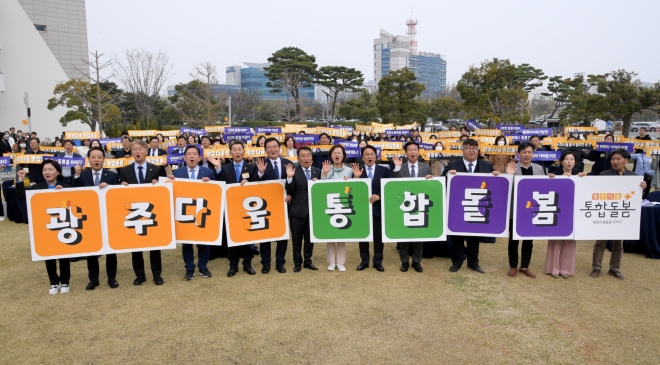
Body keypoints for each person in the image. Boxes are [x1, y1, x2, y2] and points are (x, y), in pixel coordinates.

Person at [443, 138, 499, 273]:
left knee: (474, 235)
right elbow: (442, 181)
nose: (471, 150)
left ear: (478, 151)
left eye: (474, 148)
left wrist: (497, 176)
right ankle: (457, 261)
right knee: (457, 235)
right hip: (458, 206)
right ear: (462, 150)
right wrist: (447, 175)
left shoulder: (486, 166)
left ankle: (473, 262)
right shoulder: (452, 165)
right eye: (468, 148)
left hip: (477, 206)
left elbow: (493, 186)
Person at [16, 160, 72, 294]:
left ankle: (65, 282)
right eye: (45, 170)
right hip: (45, 226)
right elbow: (21, 195)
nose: (47, 172)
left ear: (58, 172)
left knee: (64, 254)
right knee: (49, 255)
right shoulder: (37, 188)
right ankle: (53, 282)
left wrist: (64, 192)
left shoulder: (65, 186)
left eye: (50, 169)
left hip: (62, 225)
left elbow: (71, 204)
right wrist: (20, 179)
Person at [590, 148, 647, 280]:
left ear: (626, 160)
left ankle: (614, 268)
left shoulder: (634, 177)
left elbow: (637, 196)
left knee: (618, 243)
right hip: (606, 211)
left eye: (618, 159)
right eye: (613, 159)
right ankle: (596, 268)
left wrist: (642, 189)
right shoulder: (604, 175)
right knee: (600, 241)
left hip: (622, 213)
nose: (615, 162)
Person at [119, 139, 167, 286]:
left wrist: (159, 185)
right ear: (131, 152)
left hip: (151, 212)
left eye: (140, 149)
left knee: (154, 245)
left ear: (146, 151)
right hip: (134, 213)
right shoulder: (125, 171)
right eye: (135, 149)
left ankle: (156, 274)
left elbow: (164, 190)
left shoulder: (156, 169)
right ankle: (140, 275)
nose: (137, 151)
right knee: (136, 245)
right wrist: (122, 186)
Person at [72, 146, 121, 289]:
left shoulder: (111, 176)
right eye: (93, 157)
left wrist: (109, 188)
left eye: (99, 157)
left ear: (104, 159)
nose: (96, 160)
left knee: (111, 251)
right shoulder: (83, 175)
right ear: (88, 160)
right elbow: (75, 194)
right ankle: (93, 279)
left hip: (107, 217)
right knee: (92, 251)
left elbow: (117, 196)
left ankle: (112, 278)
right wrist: (76, 176)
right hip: (90, 218)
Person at [169, 145, 219, 280]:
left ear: (199, 157)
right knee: (187, 243)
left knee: (203, 241)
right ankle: (189, 268)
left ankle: (203, 266)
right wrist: (168, 182)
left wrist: (210, 182)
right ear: (184, 157)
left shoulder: (207, 171)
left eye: (194, 154)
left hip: (201, 212)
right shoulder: (178, 173)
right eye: (189, 154)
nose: (192, 156)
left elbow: (216, 189)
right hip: (184, 213)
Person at [217, 141, 261, 277]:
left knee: (247, 237)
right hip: (230, 207)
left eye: (239, 149)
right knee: (232, 238)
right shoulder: (224, 168)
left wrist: (251, 183)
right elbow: (219, 184)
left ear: (244, 151)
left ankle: (247, 264)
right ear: (230, 152)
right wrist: (218, 169)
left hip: (247, 208)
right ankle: (233, 265)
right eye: (234, 150)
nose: (237, 152)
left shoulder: (251, 168)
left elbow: (257, 186)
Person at [504, 141, 545, 278]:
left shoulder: (539, 169)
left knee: (528, 240)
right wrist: (509, 175)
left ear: (533, 153)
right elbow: (505, 188)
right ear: (519, 154)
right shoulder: (512, 168)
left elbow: (543, 188)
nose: (527, 155)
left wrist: (550, 179)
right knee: (513, 240)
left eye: (529, 152)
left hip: (532, 211)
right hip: (515, 209)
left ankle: (525, 266)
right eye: (524, 152)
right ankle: (513, 266)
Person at [393, 141, 433, 273]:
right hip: (405, 205)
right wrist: (397, 168)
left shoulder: (426, 168)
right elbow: (393, 184)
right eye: (409, 150)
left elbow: (431, 187)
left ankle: (417, 262)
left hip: (420, 205)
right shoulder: (400, 167)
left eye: (415, 149)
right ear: (405, 153)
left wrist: (430, 180)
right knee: (404, 234)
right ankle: (404, 262)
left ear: (418, 152)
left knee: (418, 235)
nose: (412, 152)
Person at [256, 137, 293, 274]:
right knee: (265, 235)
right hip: (265, 206)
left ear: (279, 148)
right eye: (269, 147)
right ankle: (265, 263)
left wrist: (291, 192)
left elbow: (293, 183)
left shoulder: (287, 163)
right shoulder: (261, 163)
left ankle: (280, 262)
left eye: (275, 146)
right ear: (265, 150)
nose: (273, 149)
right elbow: (254, 184)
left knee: (282, 235)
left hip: (283, 204)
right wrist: (260, 172)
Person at [544, 151, 584, 279]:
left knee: (570, 241)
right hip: (556, 210)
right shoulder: (554, 174)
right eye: (566, 159)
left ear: (575, 162)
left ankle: (566, 269)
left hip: (572, 212)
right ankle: (553, 268)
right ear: (561, 161)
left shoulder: (579, 176)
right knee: (555, 240)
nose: (569, 162)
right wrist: (550, 179)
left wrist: (583, 179)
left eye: (572, 159)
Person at [320, 145, 358, 272]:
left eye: (339, 153)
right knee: (331, 233)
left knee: (341, 232)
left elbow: (351, 190)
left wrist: (350, 183)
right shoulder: (326, 169)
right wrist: (324, 174)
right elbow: (320, 189)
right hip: (329, 205)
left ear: (343, 155)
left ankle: (341, 262)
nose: (337, 155)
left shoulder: (349, 170)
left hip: (343, 205)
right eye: (334, 153)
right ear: (331, 155)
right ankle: (331, 261)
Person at [285, 146, 322, 272]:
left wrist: (320, 182)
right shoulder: (293, 171)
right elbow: (290, 190)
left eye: (308, 155)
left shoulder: (318, 171)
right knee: (296, 239)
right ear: (298, 158)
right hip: (297, 211)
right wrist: (289, 178)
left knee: (309, 239)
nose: (306, 158)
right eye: (303, 156)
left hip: (313, 212)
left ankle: (308, 261)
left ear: (312, 157)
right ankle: (297, 263)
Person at [357, 145, 391, 271]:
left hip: (378, 209)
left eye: (372, 154)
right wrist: (355, 178)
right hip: (362, 210)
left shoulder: (384, 170)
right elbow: (351, 190)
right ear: (362, 157)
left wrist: (379, 196)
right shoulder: (357, 170)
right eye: (366, 154)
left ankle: (378, 261)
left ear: (376, 156)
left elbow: (389, 188)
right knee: (363, 236)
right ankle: (364, 261)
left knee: (378, 238)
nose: (369, 156)